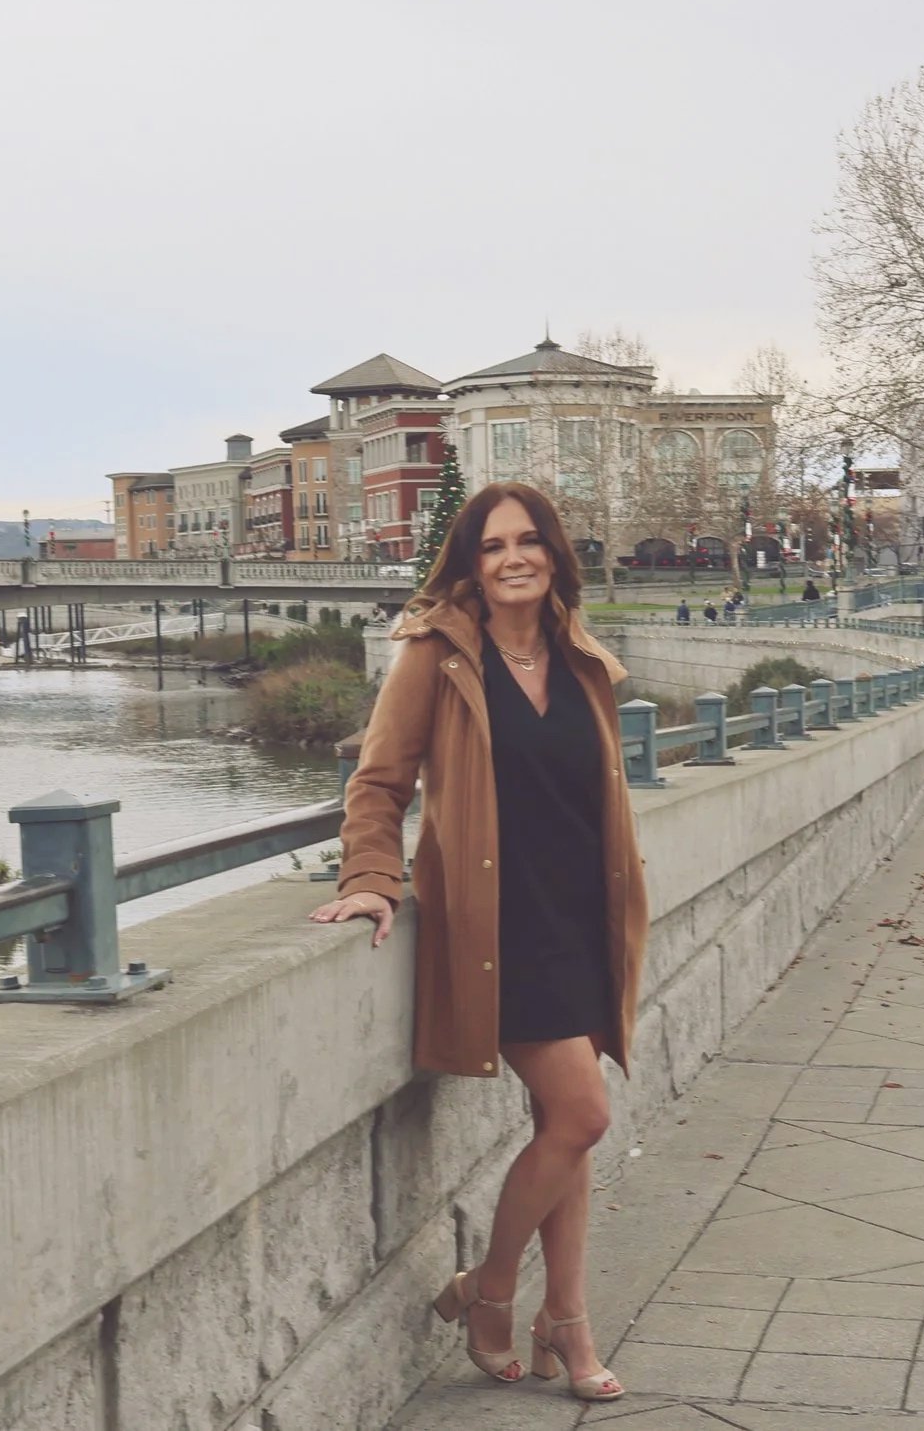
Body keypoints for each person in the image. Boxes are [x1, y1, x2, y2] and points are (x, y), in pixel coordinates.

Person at [311, 481, 640, 1403]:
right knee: (583, 1116)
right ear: (470, 563)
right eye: (492, 546)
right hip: (501, 926)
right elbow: (378, 783)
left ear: (553, 553)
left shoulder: (583, 659)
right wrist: (372, 880)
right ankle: (490, 1292)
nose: (513, 559)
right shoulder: (436, 655)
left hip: (581, 919)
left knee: (563, 1132)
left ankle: (565, 1327)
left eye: (528, 541)